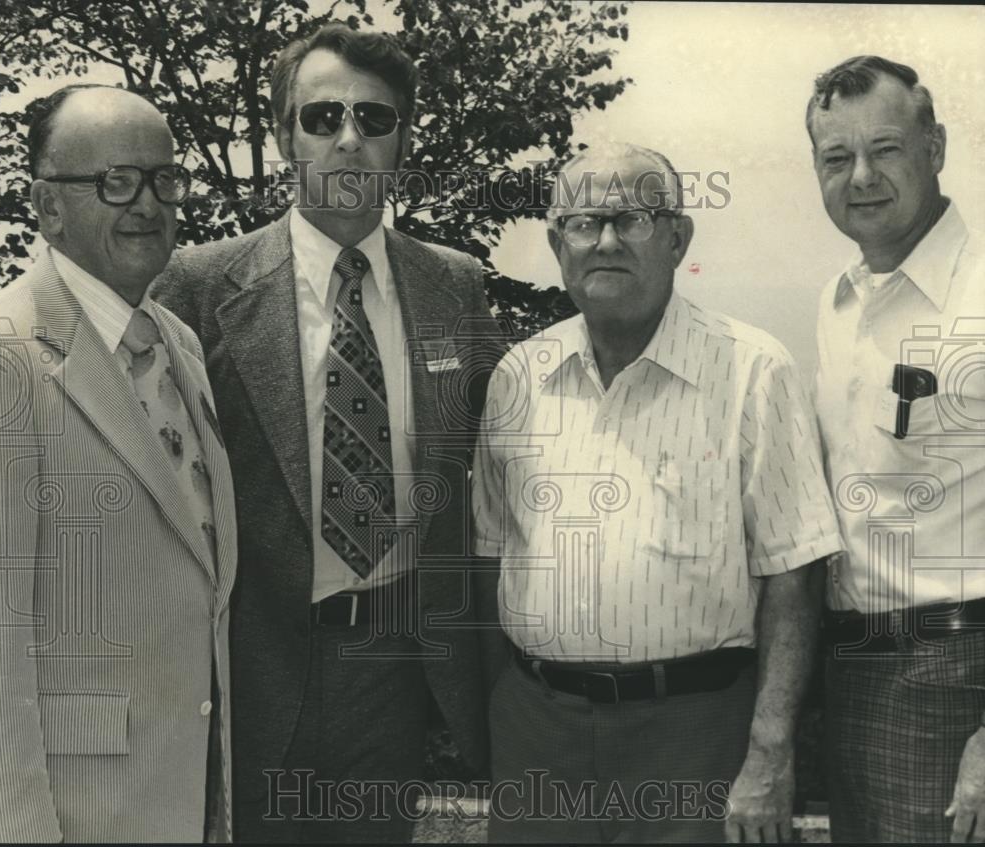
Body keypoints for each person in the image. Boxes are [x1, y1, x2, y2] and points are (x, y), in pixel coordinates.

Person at [152, 22, 502, 843]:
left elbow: (500, 465)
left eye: (375, 120)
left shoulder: (454, 286)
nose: (349, 139)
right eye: (322, 118)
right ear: (284, 136)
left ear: (402, 140)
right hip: (247, 661)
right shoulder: (197, 285)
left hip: (391, 663)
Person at [472, 142, 844, 843]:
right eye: (585, 223)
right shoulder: (518, 375)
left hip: (695, 732)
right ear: (558, 243)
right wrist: (507, 709)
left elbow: (795, 570)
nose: (607, 240)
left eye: (634, 219)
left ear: (678, 237)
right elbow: (491, 554)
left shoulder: (753, 370)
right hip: (538, 731)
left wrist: (769, 747)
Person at [0, 85, 237, 842]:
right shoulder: (3, 354)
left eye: (164, 179)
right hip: (77, 810)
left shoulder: (177, 344)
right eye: (115, 181)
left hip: (184, 793)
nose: (148, 204)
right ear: (46, 205)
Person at [809, 54, 985, 843]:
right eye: (836, 158)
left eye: (885, 148)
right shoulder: (837, 302)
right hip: (848, 672)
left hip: (957, 673)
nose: (863, 177)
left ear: (936, 146)